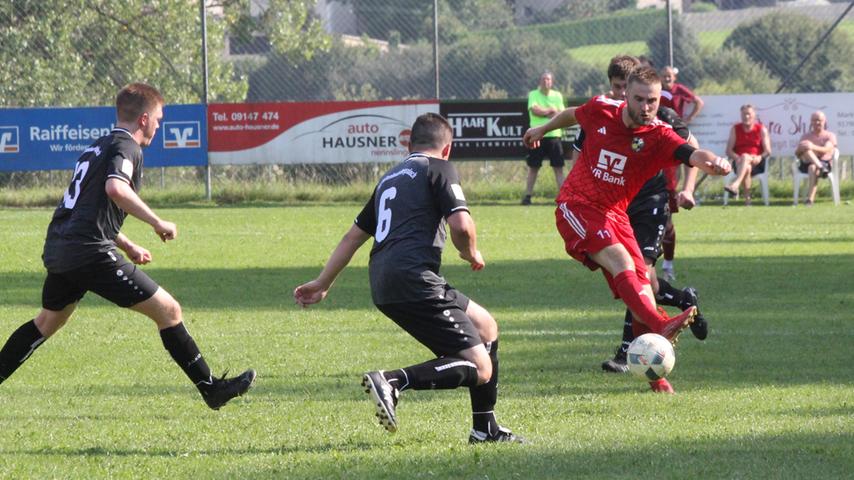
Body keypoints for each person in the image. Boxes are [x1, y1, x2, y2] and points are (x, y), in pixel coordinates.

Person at [0, 83, 255, 410]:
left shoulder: (98, 146)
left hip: (61, 246)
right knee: (169, 311)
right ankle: (211, 389)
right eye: (158, 119)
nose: (159, 126)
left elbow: (86, 209)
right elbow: (116, 189)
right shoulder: (127, 146)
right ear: (144, 119)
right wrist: (157, 222)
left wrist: (127, 243)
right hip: (89, 252)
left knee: (47, 322)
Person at [294, 113, 524, 444]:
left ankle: (484, 428)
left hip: (385, 280)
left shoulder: (389, 178)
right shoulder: (440, 168)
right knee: (481, 367)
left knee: (486, 327)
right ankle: (393, 381)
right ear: (448, 148)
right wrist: (471, 252)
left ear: (408, 145)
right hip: (414, 279)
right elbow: (461, 226)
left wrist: (323, 282)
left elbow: (352, 237)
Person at [523, 67, 731, 393]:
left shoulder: (659, 135)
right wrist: (542, 128)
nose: (646, 107)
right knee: (621, 261)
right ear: (626, 96)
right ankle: (661, 324)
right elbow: (572, 114)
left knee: (643, 286)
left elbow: (692, 154)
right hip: (577, 205)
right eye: (639, 99)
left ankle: (655, 378)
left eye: (652, 101)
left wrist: (714, 162)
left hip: (615, 216)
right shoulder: (602, 109)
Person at [572, 57, 709, 387]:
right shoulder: (604, 111)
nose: (623, 95)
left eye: (627, 89)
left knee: (638, 274)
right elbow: (580, 150)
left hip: (649, 202)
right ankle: (682, 300)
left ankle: (628, 352)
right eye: (618, 88)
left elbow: (692, 151)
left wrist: (689, 189)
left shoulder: (662, 118)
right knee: (643, 281)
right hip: (609, 205)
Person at [659, 66, 703, 281]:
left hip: (663, 181)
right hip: (633, 184)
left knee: (666, 225)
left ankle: (667, 265)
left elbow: (693, 151)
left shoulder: (667, 112)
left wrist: (688, 189)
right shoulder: (619, 109)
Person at [522, 71, 565, 205]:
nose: (546, 82)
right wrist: (550, 111)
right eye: (544, 79)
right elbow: (535, 110)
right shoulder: (533, 94)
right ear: (540, 81)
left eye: (548, 79)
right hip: (536, 136)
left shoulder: (557, 95)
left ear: (552, 82)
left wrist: (547, 111)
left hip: (554, 136)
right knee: (533, 167)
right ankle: (527, 197)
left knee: (558, 168)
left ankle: (564, 198)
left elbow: (562, 114)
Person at [724, 104, 772, 204]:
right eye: (744, 114)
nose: (746, 116)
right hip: (739, 162)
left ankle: (735, 185)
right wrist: (737, 158)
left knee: (746, 158)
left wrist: (760, 157)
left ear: (754, 115)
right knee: (747, 165)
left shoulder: (761, 129)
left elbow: (768, 151)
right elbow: (728, 150)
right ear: (741, 115)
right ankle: (747, 200)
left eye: (749, 114)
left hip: (757, 163)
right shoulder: (735, 129)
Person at [795, 110, 837, 205]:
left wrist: (812, 146)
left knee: (812, 167)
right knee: (807, 151)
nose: (817, 122)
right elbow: (797, 154)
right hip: (807, 163)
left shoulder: (830, 136)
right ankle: (821, 168)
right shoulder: (805, 136)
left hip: (824, 162)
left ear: (824, 121)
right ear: (811, 122)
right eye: (814, 120)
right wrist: (800, 149)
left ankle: (810, 200)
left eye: (819, 120)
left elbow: (827, 149)